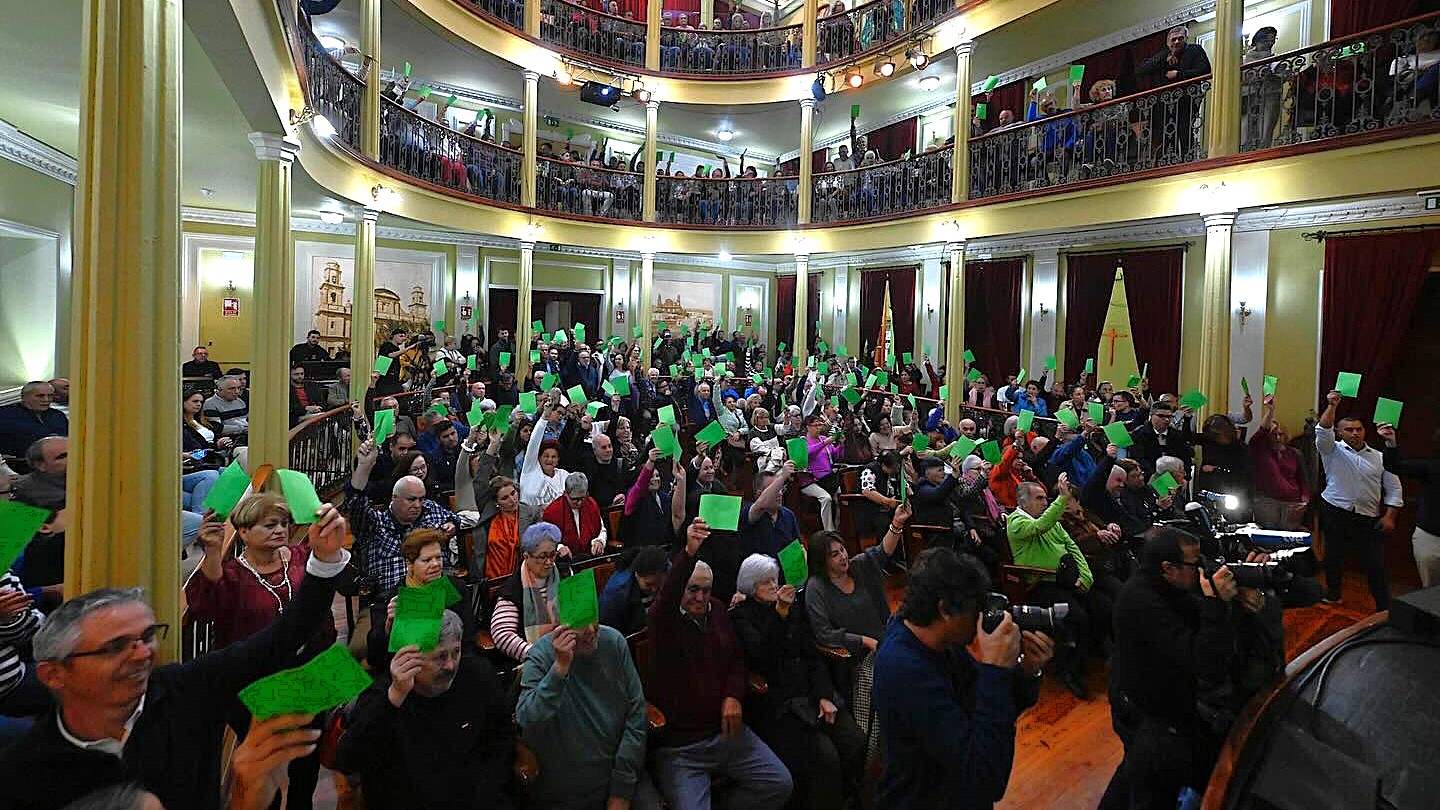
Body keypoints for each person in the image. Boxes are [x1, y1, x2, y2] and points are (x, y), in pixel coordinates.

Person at [0, 503, 350, 810]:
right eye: (114, 647)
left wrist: (324, 561)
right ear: (53, 675)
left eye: (148, 636)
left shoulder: (187, 690)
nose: (142, 654)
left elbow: (286, 633)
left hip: (303, 674)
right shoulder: (25, 771)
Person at [873, 547, 1054, 810]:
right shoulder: (904, 669)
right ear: (945, 610)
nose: (981, 617)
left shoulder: (942, 643)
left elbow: (989, 713)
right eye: (975, 608)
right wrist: (994, 669)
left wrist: (1026, 671)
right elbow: (986, 778)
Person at [183, 494, 334, 808]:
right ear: (244, 532)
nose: (280, 530)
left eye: (283, 523)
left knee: (308, 756)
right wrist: (212, 553)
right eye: (269, 525)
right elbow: (206, 608)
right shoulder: (233, 575)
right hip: (257, 682)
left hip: (309, 671)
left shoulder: (300, 555)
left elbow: (323, 592)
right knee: (267, 762)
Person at [1099, 527, 1263, 810]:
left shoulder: (1167, 585)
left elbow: (1196, 619)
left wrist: (1234, 600)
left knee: (1138, 772)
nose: (1200, 569)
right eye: (1194, 564)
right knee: (1149, 781)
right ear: (1168, 568)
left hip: (1161, 703)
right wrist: (1216, 603)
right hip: (1143, 709)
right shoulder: (1141, 601)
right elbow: (1204, 662)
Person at [645, 519, 793, 810]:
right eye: (692, 589)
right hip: (682, 748)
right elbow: (668, 595)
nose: (700, 597)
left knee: (779, 783)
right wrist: (688, 552)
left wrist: (733, 695)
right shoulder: (663, 621)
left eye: (706, 590)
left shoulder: (719, 611)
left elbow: (737, 660)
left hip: (726, 734)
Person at [335, 610, 517, 810]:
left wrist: (485, 796)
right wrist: (394, 697)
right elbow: (349, 760)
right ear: (409, 658)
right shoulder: (383, 696)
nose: (450, 665)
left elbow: (501, 740)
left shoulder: (477, 676)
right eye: (440, 656)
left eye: (455, 652)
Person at [731, 554, 866, 810]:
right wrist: (779, 615)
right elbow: (763, 660)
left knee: (854, 741)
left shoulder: (791, 609)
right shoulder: (742, 617)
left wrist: (824, 696)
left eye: (774, 579)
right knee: (825, 757)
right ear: (750, 587)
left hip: (811, 693)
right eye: (765, 582)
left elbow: (811, 656)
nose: (774, 585)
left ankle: (849, 797)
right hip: (781, 704)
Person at [516, 622, 662, 810]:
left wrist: (621, 791)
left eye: (592, 615)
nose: (591, 630)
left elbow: (636, 714)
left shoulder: (613, 641)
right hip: (568, 790)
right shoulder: (541, 655)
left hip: (619, 773)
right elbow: (527, 718)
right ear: (555, 616)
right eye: (579, 622)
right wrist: (559, 670)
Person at [1006, 478, 1094, 699]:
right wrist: (1062, 499)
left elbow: (1071, 546)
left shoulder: (1051, 520)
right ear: (1023, 502)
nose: (1045, 502)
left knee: (1102, 606)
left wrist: (1086, 575)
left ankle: (1089, 658)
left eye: (1046, 498)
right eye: (1039, 498)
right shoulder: (1016, 521)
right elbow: (1038, 527)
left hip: (1066, 578)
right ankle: (1068, 670)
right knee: (1078, 617)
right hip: (1040, 585)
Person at [1315, 389, 1403, 609]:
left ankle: (1384, 606)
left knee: (1375, 563)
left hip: (1367, 517)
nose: (1355, 433)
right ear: (1339, 432)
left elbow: (1394, 488)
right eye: (1349, 430)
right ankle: (1333, 594)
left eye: (1359, 429)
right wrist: (1332, 405)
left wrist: (1390, 516)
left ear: (1365, 430)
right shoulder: (1331, 449)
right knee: (1333, 556)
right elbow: (1323, 429)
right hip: (1335, 509)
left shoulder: (1381, 457)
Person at [345, 440, 460, 594]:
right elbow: (355, 505)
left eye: (421, 499)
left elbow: (455, 519)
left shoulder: (430, 508)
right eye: (411, 499)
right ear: (394, 498)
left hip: (436, 591)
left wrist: (452, 524)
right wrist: (364, 467)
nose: (418, 505)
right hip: (394, 598)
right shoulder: (376, 523)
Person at [366, 528, 479, 670]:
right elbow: (375, 658)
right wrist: (389, 627)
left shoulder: (456, 588)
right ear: (409, 564)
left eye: (438, 557)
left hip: (453, 667)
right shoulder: (390, 599)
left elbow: (468, 640)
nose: (436, 564)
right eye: (426, 560)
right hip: (409, 673)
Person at [490, 523, 566, 665]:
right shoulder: (513, 589)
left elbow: (582, 615)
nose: (549, 562)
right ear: (526, 556)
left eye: (552, 555)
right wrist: (537, 655)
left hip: (570, 649)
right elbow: (502, 635)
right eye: (542, 557)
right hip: (534, 660)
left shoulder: (566, 574)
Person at [1379, 422, 1440, 589]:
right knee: (1430, 591)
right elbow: (1395, 466)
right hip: (1430, 538)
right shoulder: (1432, 466)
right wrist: (1391, 442)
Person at [1248, 394, 1309, 530]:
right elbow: (1261, 432)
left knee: (1290, 539)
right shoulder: (1260, 450)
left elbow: (1303, 480)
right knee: (1269, 538)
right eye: (1273, 434)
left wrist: (1305, 501)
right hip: (1267, 501)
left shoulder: (1294, 453)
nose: (1277, 437)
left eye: (1280, 434)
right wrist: (1271, 411)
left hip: (1292, 502)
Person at [600, 545, 669, 635]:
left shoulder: (669, 571)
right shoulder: (616, 595)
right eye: (649, 584)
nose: (655, 589)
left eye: (659, 583)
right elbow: (609, 636)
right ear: (636, 575)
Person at [541, 472, 608, 558]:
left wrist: (600, 541)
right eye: (575, 499)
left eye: (582, 498)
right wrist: (559, 547)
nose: (579, 503)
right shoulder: (552, 511)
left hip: (590, 557)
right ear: (565, 494)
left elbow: (601, 528)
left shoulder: (591, 504)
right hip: (565, 561)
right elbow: (546, 539)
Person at [0, 381, 69, 458]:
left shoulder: (57, 415)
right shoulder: (5, 415)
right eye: (40, 396)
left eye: (50, 396)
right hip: (18, 462)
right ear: (25, 397)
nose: (46, 400)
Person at [202, 375, 250, 442]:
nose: (237, 392)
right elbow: (217, 429)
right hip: (228, 440)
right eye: (232, 388)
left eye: (239, 388)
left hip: (245, 436)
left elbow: (247, 420)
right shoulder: (210, 404)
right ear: (220, 389)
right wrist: (243, 429)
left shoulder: (240, 401)